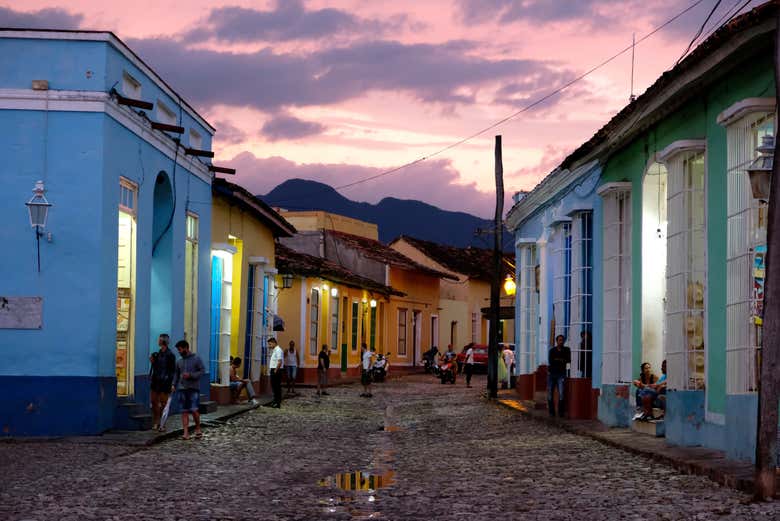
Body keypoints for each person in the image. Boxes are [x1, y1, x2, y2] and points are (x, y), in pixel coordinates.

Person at [172, 339, 205, 440]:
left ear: (186, 348)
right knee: (184, 411)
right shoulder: (179, 361)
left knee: (194, 410)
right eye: (178, 350)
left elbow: (202, 371)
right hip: (182, 389)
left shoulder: (196, 359)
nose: (179, 351)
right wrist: (173, 384)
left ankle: (198, 428)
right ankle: (186, 433)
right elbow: (176, 374)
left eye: (180, 349)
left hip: (193, 388)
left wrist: (191, 375)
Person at [149, 333, 176, 432]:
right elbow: (156, 368)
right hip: (156, 380)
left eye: (159, 340)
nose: (158, 341)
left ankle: (162, 423)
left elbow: (172, 371)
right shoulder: (157, 354)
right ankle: (156, 421)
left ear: (163, 341)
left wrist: (172, 383)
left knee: (163, 403)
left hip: (165, 382)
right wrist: (152, 361)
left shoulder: (170, 355)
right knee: (154, 401)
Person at [548, 334, 571, 417]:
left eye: (562, 340)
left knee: (561, 393)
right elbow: (551, 361)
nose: (561, 341)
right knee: (550, 393)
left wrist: (558, 360)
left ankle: (561, 412)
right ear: (556, 341)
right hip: (552, 374)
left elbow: (568, 360)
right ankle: (551, 412)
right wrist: (561, 360)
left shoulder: (566, 350)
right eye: (559, 340)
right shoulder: (552, 350)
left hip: (561, 374)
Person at [265, 337, 284, 408]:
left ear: (274, 343)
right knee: (274, 387)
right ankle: (275, 401)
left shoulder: (278, 350)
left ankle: (277, 403)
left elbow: (280, 361)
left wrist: (275, 370)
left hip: (276, 370)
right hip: (274, 369)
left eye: (270, 344)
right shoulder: (275, 350)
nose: (269, 346)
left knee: (277, 387)